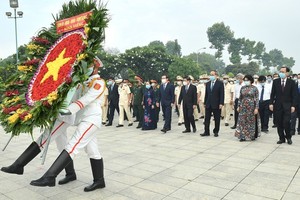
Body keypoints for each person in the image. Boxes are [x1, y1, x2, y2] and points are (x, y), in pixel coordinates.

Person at [30, 59, 106, 192]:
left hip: (92, 119)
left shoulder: (98, 82)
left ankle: (50, 176)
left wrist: (68, 109)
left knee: (73, 145)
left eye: (88, 65)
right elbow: (71, 97)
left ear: (95, 68)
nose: (84, 67)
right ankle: (97, 180)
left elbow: (86, 99)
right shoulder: (81, 81)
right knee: (92, 150)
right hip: (83, 119)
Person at [269, 66, 297, 145]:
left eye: (283, 72)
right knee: (279, 123)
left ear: (287, 73)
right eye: (280, 71)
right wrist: (271, 103)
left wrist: (293, 106)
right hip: (277, 106)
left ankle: (288, 137)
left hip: (288, 106)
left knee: (286, 122)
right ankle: (281, 138)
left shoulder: (292, 82)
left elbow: (295, 95)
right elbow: (272, 94)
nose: (281, 73)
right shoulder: (276, 81)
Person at [235, 75, 259, 141]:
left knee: (251, 121)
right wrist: (238, 106)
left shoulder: (254, 88)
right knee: (242, 121)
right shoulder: (242, 88)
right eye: (245, 80)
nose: (246, 81)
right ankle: (242, 136)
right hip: (243, 106)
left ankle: (251, 135)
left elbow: (257, 99)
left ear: (251, 80)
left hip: (251, 107)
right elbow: (240, 98)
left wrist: (256, 108)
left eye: (247, 80)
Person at [201, 70, 224, 137]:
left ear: (216, 76)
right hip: (208, 104)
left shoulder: (220, 83)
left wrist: (221, 103)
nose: (211, 76)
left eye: (213, 75)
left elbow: (222, 94)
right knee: (206, 119)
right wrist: (205, 102)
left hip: (216, 104)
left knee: (217, 119)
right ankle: (206, 131)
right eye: (210, 75)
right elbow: (206, 94)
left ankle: (216, 131)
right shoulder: (208, 83)